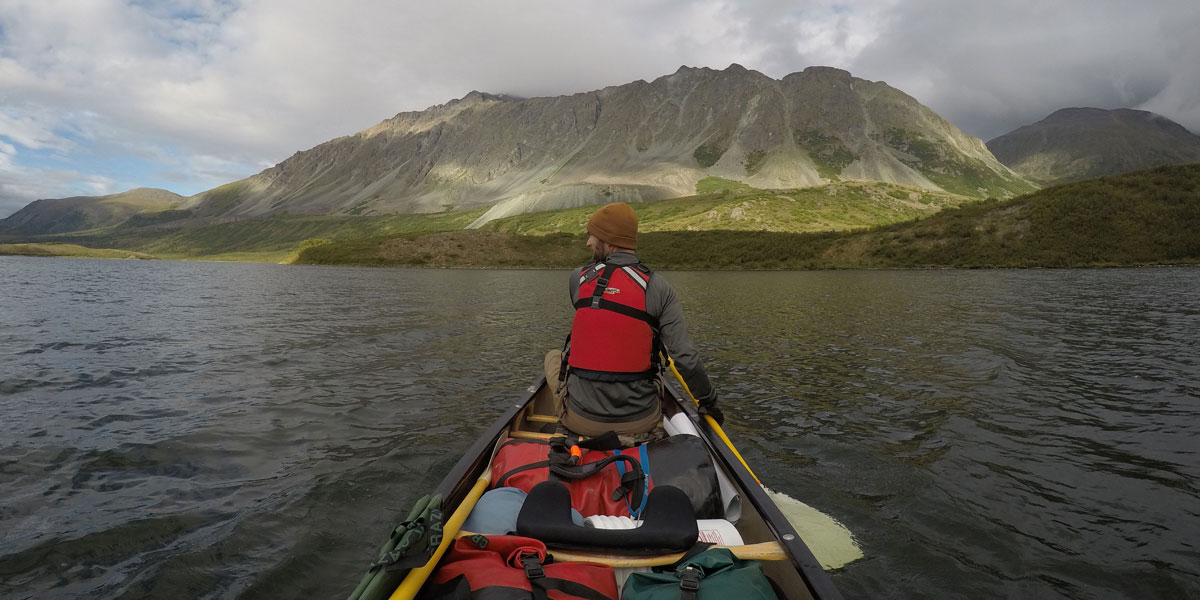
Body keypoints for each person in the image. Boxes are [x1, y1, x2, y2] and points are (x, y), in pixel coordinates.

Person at [544, 202, 723, 438]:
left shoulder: (578, 278)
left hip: (580, 419)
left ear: (609, 241)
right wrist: (708, 400)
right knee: (655, 373)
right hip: (641, 420)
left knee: (553, 356)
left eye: (592, 236)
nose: (588, 243)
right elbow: (686, 359)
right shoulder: (660, 287)